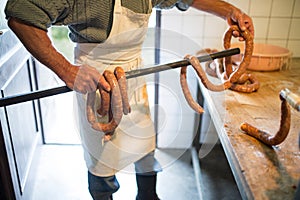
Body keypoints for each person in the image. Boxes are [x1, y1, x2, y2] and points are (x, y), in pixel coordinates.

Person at [4, 0, 254, 199]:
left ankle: (148, 196)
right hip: (96, 81)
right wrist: (67, 70)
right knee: (102, 159)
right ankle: (103, 196)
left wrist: (228, 11)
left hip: (134, 76)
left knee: (144, 147)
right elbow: (21, 16)